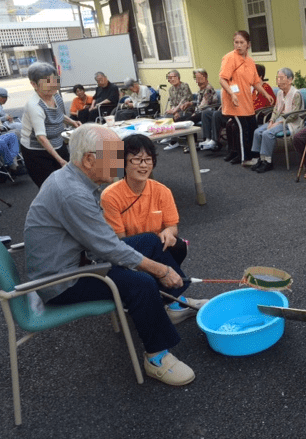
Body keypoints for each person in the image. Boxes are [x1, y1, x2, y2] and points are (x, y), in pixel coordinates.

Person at [24, 124, 207, 386]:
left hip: (79, 260)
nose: (121, 162)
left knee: (148, 240)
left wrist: (158, 268)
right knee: (141, 283)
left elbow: (104, 243)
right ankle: (156, 357)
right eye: (114, 155)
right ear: (89, 159)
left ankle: (175, 303)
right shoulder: (72, 193)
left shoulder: (73, 179)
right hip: (62, 281)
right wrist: (161, 271)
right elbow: (109, 248)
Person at [101, 134, 188, 267]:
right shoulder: (110, 196)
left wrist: (168, 232)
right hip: (129, 252)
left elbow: (172, 226)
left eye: (148, 160)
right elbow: (121, 241)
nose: (144, 165)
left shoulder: (162, 191)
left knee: (179, 246)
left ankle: (167, 280)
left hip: (157, 248)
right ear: (122, 162)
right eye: (136, 160)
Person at [20, 62, 81, 188]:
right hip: (37, 151)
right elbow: (41, 137)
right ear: (34, 84)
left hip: (56, 143)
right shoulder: (34, 105)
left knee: (69, 179)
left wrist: (72, 122)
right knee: (50, 187)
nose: (53, 85)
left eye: (55, 80)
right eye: (48, 81)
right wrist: (60, 160)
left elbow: (57, 114)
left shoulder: (55, 95)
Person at [220, 31, 275, 165]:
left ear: (248, 45)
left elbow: (255, 82)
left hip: (246, 101)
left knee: (252, 126)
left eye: (241, 43)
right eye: (236, 42)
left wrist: (265, 94)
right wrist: (232, 94)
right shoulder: (229, 58)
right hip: (235, 101)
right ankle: (245, 158)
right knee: (242, 128)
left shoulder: (250, 61)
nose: (238, 45)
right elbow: (222, 79)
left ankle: (253, 155)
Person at [247, 67, 303, 173]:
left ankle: (268, 161)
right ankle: (261, 158)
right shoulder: (280, 93)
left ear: (290, 80)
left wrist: (278, 122)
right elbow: (276, 110)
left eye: (281, 78)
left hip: (290, 122)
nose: (278, 80)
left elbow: (294, 115)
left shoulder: (296, 94)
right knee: (258, 132)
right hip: (279, 120)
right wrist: (272, 121)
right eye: (277, 78)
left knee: (267, 133)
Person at [236, 64, 276, 166]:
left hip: (263, 115)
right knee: (233, 125)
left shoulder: (265, 87)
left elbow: (265, 105)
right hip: (254, 114)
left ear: (260, 76)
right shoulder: (254, 89)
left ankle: (253, 155)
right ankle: (238, 153)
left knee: (247, 124)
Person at [184, 68, 219, 153]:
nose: (197, 81)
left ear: (205, 77)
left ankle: (193, 144)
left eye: (199, 78)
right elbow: (199, 101)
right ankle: (192, 143)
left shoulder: (208, 88)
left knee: (188, 121)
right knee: (181, 119)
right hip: (201, 111)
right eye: (196, 78)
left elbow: (204, 104)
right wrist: (191, 103)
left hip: (208, 111)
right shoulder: (201, 88)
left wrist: (194, 113)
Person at [162, 69, 193, 151]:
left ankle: (174, 141)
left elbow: (184, 99)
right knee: (166, 117)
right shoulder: (170, 89)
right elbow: (172, 103)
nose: (171, 80)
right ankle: (170, 138)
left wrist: (175, 111)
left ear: (178, 77)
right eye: (169, 78)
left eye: (173, 77)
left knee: (176, 118)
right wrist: (174, 111)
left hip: (186, 110)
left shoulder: (184, 85)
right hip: (176, 110)